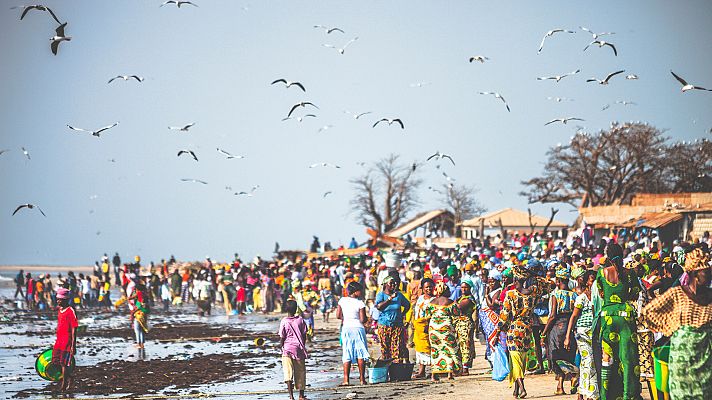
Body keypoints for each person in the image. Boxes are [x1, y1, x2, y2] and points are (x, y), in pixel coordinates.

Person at [641, 248, 712, 399]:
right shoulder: (678, 294)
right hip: (681, 360)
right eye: (706, 272)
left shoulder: (710, 296)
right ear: (693, 273)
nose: (710, 275)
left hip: (705, 360)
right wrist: (671, 326)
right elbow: (649, 311)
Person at [593, 243, 641, 400]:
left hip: (607, 316)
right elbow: (635, 294)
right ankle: (628, 395)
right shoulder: (630, 273)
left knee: (607, 359)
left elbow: (601, 294)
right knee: (628, 359)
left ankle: (606, 396)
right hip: (625, 316)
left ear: (607, 255)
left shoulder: (601, 273)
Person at [491, 266, 544, 399]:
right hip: (527, 330)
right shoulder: (533, 293)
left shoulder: (511, 294)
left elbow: (504, 317)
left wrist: (497, 333)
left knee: (515, 360)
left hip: (514, 330)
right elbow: (546, 283)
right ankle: (516, 391)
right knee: (521, 359)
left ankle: (522, 388)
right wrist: (532, 273)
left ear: (515, 281)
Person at [542, 266, 578, 395]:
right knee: (568, 355)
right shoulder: (574, 294)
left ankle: (566, 381)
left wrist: (544, 332)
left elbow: (552, 316)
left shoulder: (555, 295)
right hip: (570, 326)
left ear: (558, 281)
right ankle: (562, 384)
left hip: (557, 328)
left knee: (556, 356)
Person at [565, 269, 598, 400]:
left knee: (592, 362)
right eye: (591, 280)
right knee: (588, 361)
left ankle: (588, 393)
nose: (594, 282)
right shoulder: (582, 297)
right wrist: (567, 336)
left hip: (594, 333)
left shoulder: (597, 297)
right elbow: (573, 317)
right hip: (583, 333)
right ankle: (584, 392)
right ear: (586, 282)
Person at [425, 281, 461, 381]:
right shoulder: (449, 302)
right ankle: (450, 374)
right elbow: (457, 313)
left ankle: (434, 375)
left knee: (435, 350)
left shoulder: (431, 302)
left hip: (433, 329)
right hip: (446, 329)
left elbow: (426, 315)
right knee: (449, 350)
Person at [336, 281, 369, 386]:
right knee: (360, 353)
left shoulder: (342, 300)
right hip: (358, 328)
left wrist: (346, 319)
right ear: (355, 292)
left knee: (347, 353)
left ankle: (346, 380)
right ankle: (362, 379)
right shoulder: (360, 303)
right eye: (360, 291)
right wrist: (367, 318)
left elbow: (338, 315)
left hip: (347, 328)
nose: (361, 293)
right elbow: (363, 319)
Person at [375, 275, 410, 361]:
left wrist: (402, 314)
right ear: (385, 285)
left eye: (394, 283)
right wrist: (389, 299)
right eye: (390, 283)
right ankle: (386, 366)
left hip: (397, 325)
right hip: (384, 325)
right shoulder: (381, 295)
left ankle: (396, 368)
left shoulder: (399, 295)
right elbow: (379, 307)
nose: (393, 285)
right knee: (385, 348)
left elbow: (407, 305)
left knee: (396, 347)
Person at [280, 300, 308, 400]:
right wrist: (302, 345)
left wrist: (281, 347)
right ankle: (301, 395)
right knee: (300, 372)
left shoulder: (284, 321)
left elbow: (282, 336)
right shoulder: (300, 320)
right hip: (299, 349)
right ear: (296, 309)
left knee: (288, 372)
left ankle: (291, 397)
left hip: (287, 349)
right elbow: (304, 334)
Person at [53, 287, 78, 392]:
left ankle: (63, 385)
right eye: (57, 299)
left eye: (60, 300)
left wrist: (73, 345)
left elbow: (74, 328)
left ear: (66, 300)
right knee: (55, 361)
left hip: (67, 341)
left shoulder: (70, 310)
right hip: (59, 341)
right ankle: (70, 377)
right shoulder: (60, 310)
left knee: (64, 363)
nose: (58, 301)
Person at [412, 278, 434, 378]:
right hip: (418, 326)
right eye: (426, 287)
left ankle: (434, 371)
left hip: (429, 326)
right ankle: (421, 371)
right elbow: (416, 311)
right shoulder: (420, 298)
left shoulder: (434, 300)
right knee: (420, 349)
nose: (428, 289)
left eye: (430, 286)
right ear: (423, 288)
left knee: (430, 347)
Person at [455, 279, 476, 375]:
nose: (463, 289)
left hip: (465, 324)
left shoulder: (469, 299)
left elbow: (459, 307)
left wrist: (452, 303)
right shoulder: (461, 297)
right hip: (459, 323)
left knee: (465, 345)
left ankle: (465, 368)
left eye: (465, 287)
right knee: (460, 345)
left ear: (470, 288)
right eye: (462, 287)